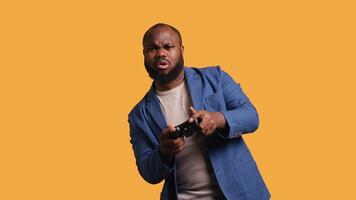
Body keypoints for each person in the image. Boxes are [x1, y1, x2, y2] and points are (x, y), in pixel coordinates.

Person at [128, 23, 270, 200]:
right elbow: (148, 172)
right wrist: (163, 152)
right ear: (144, 54)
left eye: (168, 47)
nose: (161, 53)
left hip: (241, 193)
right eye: (153, 48)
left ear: (181, 50)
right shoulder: (138, 115)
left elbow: (251, 117)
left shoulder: (216, 77)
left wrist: (218, 119)